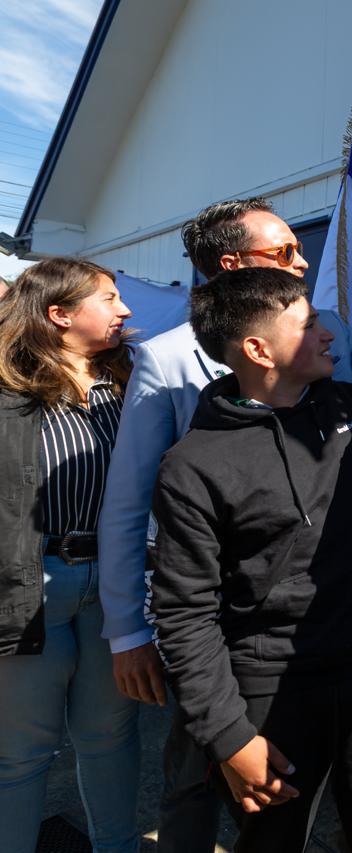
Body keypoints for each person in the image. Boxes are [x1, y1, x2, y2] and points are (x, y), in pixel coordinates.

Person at [96, 197, 352, 852]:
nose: (302, 261)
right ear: (234, 268)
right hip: (258, 662)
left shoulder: (343, 387)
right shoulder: (178, 399)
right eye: (284, 251)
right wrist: (133, 637)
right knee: (215, 795)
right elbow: (135, 516)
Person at [0, 259, 140, 852]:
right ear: (59, 314)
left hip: (117, 583)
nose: (124, 310)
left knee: (111, 736)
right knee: (21, 752)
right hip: (31, 583)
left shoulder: (131, 380)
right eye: (108, 298)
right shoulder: (8, 387)